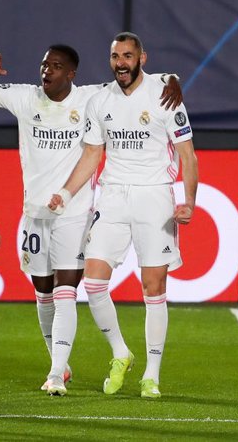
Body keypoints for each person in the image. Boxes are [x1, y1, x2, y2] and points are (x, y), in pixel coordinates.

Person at [0, 46, 183, 395]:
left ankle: (53, 375)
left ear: (71, 74)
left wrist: (172, 79)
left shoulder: (90, 97)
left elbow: (134, 81)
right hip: (35, 214)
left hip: (74, 212)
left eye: (55, 66)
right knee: (43, 294)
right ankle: (64, 363)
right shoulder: (25, 98)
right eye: (44, 64)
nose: (46, 71)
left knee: (67, 290)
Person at [48, 32, 198, 398]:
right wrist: (67, 192)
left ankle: (152, 374)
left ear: (142, 58)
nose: (121, 63)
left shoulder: (165, 94)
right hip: (113, 195)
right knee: (95, 283)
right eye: (116, 56)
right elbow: (91, 154)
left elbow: (188, 155)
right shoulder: (101, 99)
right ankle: (120, 352)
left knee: (153, 288)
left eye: (128, 56)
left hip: (154, 198)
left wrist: (189, 201)